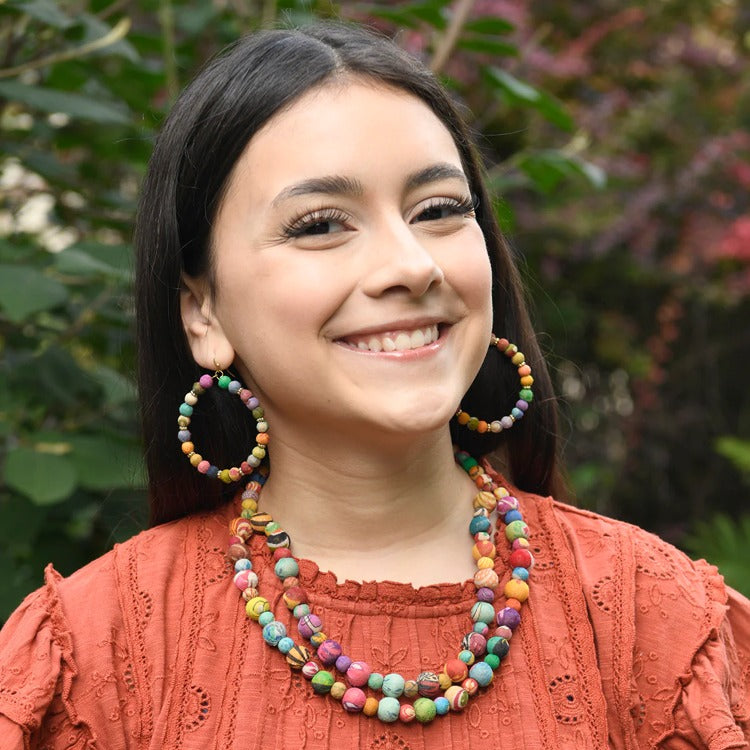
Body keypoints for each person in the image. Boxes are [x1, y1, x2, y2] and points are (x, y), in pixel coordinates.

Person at [0, 22, 747, 750]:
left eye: (440, 211)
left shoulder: (663, 629)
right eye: (321, 224)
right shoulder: (92, 661)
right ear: (203, 313)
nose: (412, 265)